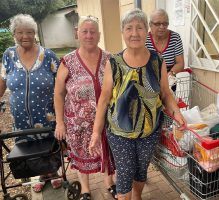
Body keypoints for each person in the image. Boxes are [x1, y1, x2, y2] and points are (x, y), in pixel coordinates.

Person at [89, 9, 186, 200]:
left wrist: (177, 113)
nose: (135, 33)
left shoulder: (158, 61)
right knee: (125, 171)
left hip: (149, 130)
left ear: (146, 31)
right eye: (129, 28)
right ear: (123, 32)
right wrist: (95, 132)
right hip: (119, 131)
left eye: (139, 28)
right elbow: (104, 98)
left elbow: (166, 93)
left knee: (141, 170)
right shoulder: (114, 62)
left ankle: (137, 196)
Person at [54, 15, 116, 200]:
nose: (89, 35)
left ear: (99, 35)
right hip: (77, 124)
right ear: (77, 34)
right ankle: (85, 190)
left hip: (106, 122)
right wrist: (59, 122)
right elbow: (58, 93)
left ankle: (109, 183)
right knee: (81, 157)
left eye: (93, 32)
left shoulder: (110, 59)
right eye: (84, 31)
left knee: (108, 153)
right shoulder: (68, 61)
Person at [0, 14, 61, 192]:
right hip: (20, 117)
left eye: (29, 32)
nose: (25, 36)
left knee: (48, 145)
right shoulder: (9, 55)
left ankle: (52, 172)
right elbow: (3, 81)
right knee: (26, 147)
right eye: (20, 32)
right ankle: (39, 174)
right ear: (14, 34)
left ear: (34, 33)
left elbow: (60, 86)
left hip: (46, 114)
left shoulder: (48, 56)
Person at [145, 8, 184, 89]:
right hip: (150, 80)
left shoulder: (175, 38)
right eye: (157, 24)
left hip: (169, 80)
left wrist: (171, 74)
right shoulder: (145, 39)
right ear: (150, 24)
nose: (162, 27)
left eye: (165, 23)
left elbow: (180, 63)